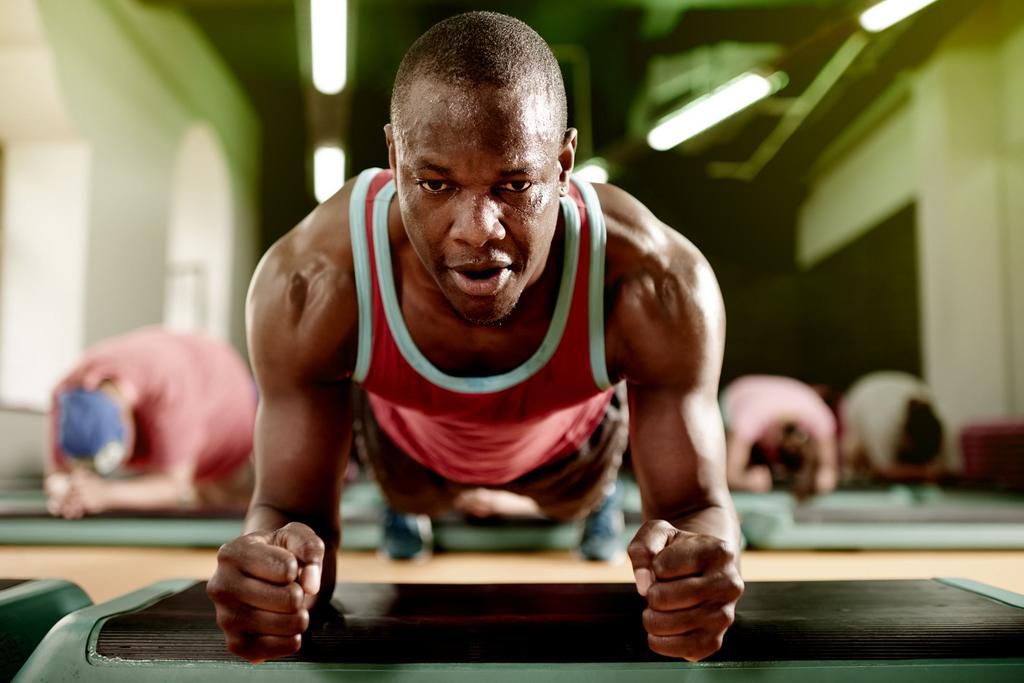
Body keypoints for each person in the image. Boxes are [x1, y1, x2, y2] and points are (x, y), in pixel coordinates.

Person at [207, 12, 742, 664]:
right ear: (395, 157)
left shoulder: (655, 281)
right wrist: (279, 576)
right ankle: (417, 509)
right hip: (408, 463)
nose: (476, 231)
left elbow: (696, 505)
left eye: (515, 185)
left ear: (565, 163)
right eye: (435, 184)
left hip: (570, 463)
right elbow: (288, 508)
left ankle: (602, 503)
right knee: (398, 494)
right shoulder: (312, 282)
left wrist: (697, 573)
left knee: (589, 494)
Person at [45, 327, 257, 518]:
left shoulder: (169, 389)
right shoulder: (65, 393)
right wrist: (67, 490)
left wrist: (105, 494)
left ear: (125, 421)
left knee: (225, 505)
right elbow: (57, 474)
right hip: (179, 384)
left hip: (229, 401)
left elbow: (175, 486)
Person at [722, 375, 838, 498]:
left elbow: (829, 468)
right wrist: (746, 481)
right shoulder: (751, 416)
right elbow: (731, 474)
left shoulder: (820, 417)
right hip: (735, 395)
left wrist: (823, 476)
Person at [842, 371, 950, 482]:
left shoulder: (941, 419)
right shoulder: (880, 427)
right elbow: (883, 470)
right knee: (855, 457)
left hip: (900, 388)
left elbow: (942, 468)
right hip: (862, 395)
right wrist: (926, 474)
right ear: (905, 438)